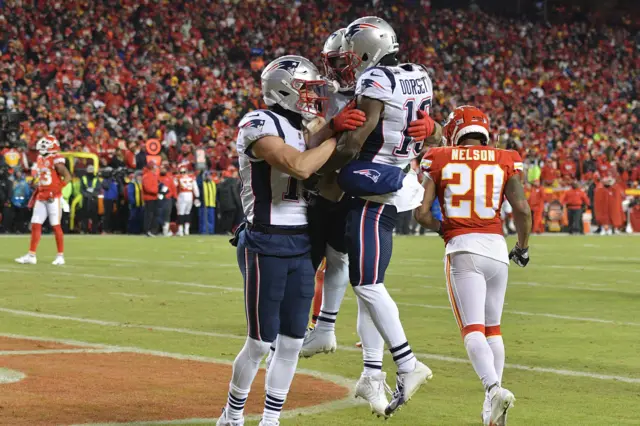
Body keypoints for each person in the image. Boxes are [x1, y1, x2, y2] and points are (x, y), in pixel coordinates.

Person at [216, 54, 364, 426]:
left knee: (292, 341)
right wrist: (337, 140)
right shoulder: (257, 122)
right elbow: (298, 164)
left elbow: (310, 139)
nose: (312, 97)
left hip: (300, 242)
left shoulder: (304, 128)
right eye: (305, 90)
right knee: (259, 342)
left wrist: (332, 129)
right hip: (265, 241)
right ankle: (232, 416)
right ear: (283, 90)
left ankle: (271, 419)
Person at [305, 17, 441, 417]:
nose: (345, 65)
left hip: (372, 183)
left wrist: (316, 170)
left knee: (367, 285)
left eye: (349, 56)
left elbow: (354, 144)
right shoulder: (418, 73)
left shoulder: (372, 81)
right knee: (350, 269)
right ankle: (368, 369)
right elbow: (421, 127)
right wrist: (430, 132)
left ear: (366, 50)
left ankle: (407, 362)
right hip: (395, 176)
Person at [414, 105, 532, 426]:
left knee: (472, 330)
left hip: (463, 247)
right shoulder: (506, 158)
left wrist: (445, 230)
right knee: (493, 328)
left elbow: (421, 214)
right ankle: (489, 409)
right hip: (496, 249)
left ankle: (493, 389)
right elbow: (522, 210)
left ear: (454, 133)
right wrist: (522, 247)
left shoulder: (438, 157)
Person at [15, 135, 71, 265]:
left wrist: (58, 189)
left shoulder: (56, 158)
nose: (42, 146)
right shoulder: (40, 158)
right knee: (35, 223)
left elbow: (67, 176)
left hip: (53, 197)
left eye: (45, 144)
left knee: (55, 225)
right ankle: (31, 255)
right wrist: (36, 183)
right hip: (41, 195)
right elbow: (43, 176)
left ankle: (60, 256)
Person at [176, 165, 200, 236]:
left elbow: (174, 186)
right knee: (187, 213)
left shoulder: (178, 178)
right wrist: (197, 197)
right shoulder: (192, 178)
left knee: (181, 213)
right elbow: (195, 189)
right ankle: (186, 230)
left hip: (182, 195)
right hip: (190, 196)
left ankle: (181, 231)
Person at [80, 165, 100, 234]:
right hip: (86, 199)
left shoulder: (96, 179)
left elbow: (98, 189)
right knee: (85, 215)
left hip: (93, 199)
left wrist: (92, 195)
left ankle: (94, 230)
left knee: (94, 216)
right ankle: (84, 229)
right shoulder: (84, 178)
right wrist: (88, 195)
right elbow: (81, 189)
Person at [142, 159, 160, 236]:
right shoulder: (147, 176)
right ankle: (147, 230)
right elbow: (147, 188)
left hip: (154, 198)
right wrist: (157, 191)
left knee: (154, 215)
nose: (156, 168)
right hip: (149, 198)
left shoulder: (153, 175)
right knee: (149, 215)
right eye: (155, 166)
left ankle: (153, 231)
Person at [158, 163, 177, 236]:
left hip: (168, 199)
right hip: (159, 199)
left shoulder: (169, 178)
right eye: (161, 168)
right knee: (159, 215)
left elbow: (173, 188)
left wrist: (175, 197)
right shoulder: (157, 177)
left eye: (164, 169)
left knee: (167, 215)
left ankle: (166, 231)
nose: (162, 170)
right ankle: (160, 230)